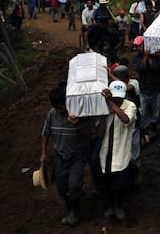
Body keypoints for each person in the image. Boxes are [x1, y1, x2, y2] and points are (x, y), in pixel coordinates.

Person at [39, 83, 96, 226]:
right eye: (59, 109)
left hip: (77, 156)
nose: (62, 110)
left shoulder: (79, 113)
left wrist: (78, 125)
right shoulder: (52, 114)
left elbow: (91, 135)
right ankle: (69, 208)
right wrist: (44, 153)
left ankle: (74, 210)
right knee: (62, 187)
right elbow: (45, 134)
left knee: (74, 184)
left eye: (63, 106)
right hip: (60, 156)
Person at [98, 80, 137, 220]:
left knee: (120, 183)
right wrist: (103, 113)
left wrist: (111, 103)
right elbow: (101, 133)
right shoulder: (105, 108)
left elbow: (126, 119)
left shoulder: (130, 106)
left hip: (121, 152)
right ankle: (110, 205)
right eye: (115, 97)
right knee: (107, 183)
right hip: (106, 152)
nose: (117, 99)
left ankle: (119, 205)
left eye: (119, 97)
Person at [132, 36, 160, 144]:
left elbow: (157, 68)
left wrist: (153, 57)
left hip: (156, 89)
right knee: (144, 113)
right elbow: (140, 69)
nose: (137, 48)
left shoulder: (155, 56)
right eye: (136, 46)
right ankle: (144, 132)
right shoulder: (137, 58)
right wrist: (146, 56)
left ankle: (153, 128)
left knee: (156, 113)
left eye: (139, 46)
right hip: (144, 90)